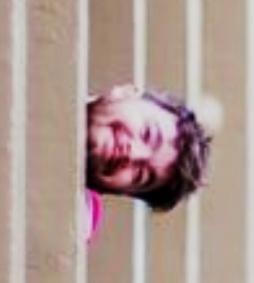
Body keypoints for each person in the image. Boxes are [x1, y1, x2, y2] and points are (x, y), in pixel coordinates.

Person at [83, 83, 210, 239]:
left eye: (140, 175)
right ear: (126, 92)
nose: (133, 154)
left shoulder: (77, 221)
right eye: (147, 134)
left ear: (124, 193)